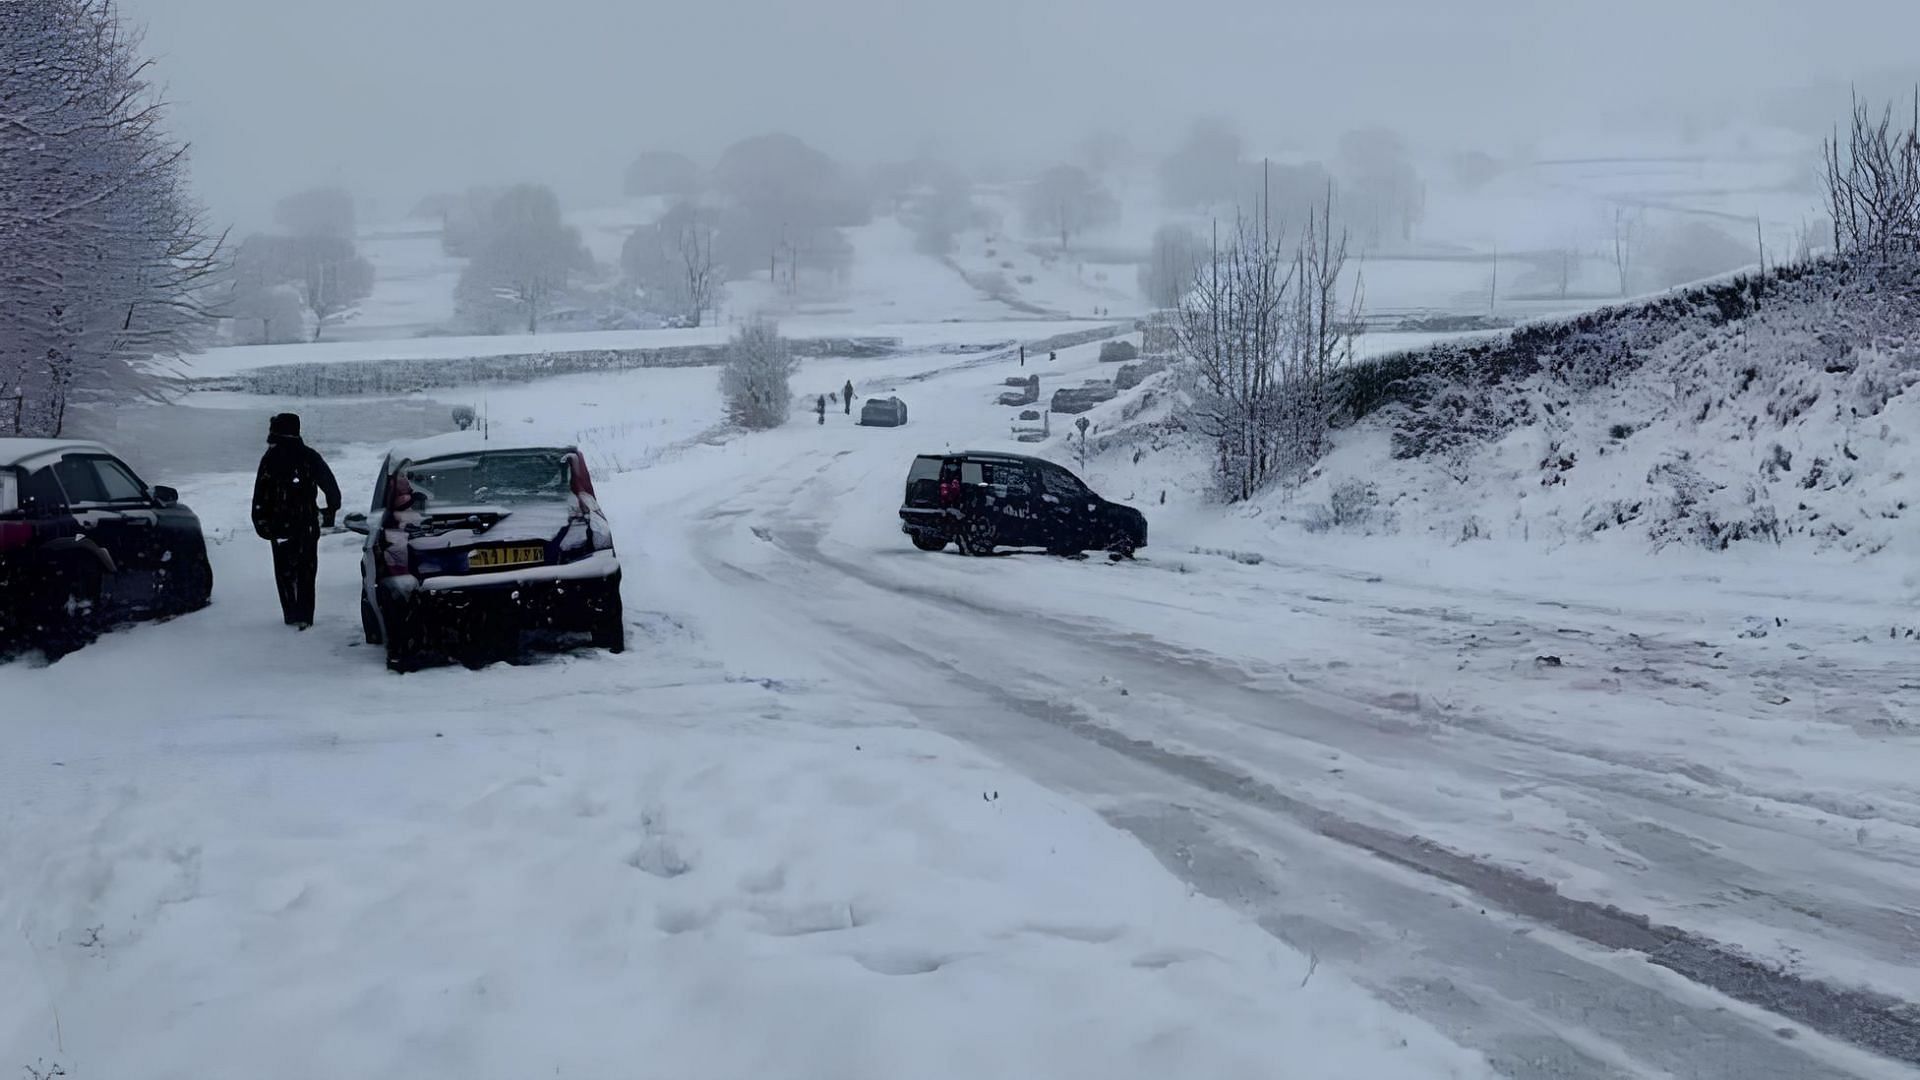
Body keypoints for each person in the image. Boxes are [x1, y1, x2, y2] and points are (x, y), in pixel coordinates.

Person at [251, 412, 341, 630]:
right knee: (306, 572)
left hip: (279, 525)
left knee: (284, 573)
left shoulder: (270, 459)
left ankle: (291, 614)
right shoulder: (309, 456)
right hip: (306, 523)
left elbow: (260, 495)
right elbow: (331, 488)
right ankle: (305, 616)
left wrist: (260, 522)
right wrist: (329, 513)